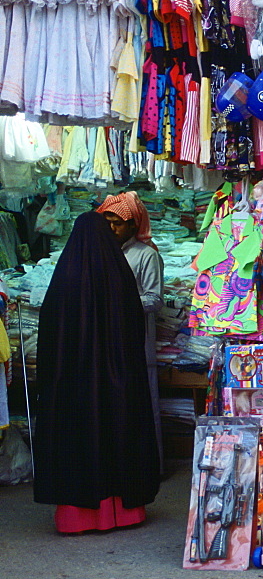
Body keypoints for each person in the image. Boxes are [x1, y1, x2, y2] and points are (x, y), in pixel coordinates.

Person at [34, 212, 160, 532]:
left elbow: (49, 331)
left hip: (74, 382)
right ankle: (123, 513)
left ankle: (77, 517)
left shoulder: (65, 275)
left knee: (79, 439)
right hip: (118, 378)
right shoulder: (118, 273)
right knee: (118, 435)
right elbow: (134, 323)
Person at [95, 191, 165, 469]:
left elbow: (154, 299)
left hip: (137, 338)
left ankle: (152, 466)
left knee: (144, 400)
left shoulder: (146, 256)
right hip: (107, 338)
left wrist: (119, 302)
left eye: (118, 223)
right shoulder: (102, 253)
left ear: (133, 225)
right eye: (108, 222)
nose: (112, 228)